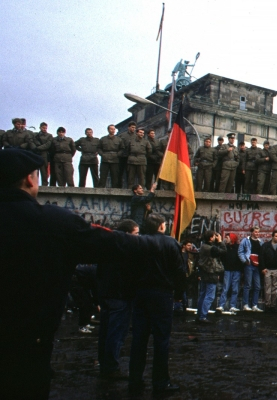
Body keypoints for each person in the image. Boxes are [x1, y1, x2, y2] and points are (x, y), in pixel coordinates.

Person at [0, 148, 168, 399]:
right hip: (28, 346)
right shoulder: (52, 222)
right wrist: (160, 243)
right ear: (29, 179)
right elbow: (111, 243)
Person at [128, 213, 186, 395]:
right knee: (161, 340)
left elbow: (129, 269)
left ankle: (135, 380)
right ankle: (160, 382)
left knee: (139, 339)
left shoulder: (138, 243)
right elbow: (179, 271)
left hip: (141, 294)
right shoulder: (171, 243)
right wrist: (178, 294)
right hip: (162, 295)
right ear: (161, 226)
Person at [97, 219, 139, 380]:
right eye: (136, 233)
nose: (138, 236)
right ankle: (111, 367)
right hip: (120, 296)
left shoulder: (107, 246)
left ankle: (104, 363)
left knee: (105, 331)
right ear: (127, 234)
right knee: (116, 333)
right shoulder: (126, 251)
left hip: (107, 295)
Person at [196, 230, 226, 323]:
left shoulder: (204, 246)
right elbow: (223, 252)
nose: (215, 237)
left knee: (203, 294)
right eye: (214, 236)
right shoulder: (209, 248)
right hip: (210, 273)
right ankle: (203, 316)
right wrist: (220, 241)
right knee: (209, 296)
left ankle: (200, 315)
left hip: (204, 272)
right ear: (210, 238)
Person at [238, 226, 264, 312]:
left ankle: (254, 305)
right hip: (249, 264)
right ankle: (245, 304)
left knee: (257, 286)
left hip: (257, 266)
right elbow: (240, 252)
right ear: (252, 232)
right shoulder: (246, 240)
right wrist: (245, 261)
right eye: (256, 232)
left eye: (258, 232)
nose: (257, 233)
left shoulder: (261, 242)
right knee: (248, 285)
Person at [261, 230, 277, 312]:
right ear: (272, 236)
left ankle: (273, 305)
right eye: (276, 236)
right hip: (267, 269)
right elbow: (261, 257)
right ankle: (267, 305)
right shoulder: (265, 246)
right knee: (267, 288)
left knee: (275, 289)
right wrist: (263, 268)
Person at [217, 233, 244, 312]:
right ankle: (221, 305)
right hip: (227, 270)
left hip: (236, 270)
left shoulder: (238, 247)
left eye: (227, 237)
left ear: (232, 239)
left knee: (235, 289)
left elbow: (241, 259)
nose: (226, 239)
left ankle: (232, 305)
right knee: (225, 288)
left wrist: (241, 271)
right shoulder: (225, 247)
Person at [117, 121, 137, 188]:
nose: (133, 129)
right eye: (132, 127)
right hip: (122, 156)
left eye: (134, 128)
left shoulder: (136, 136)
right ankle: (119, 187)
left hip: (131, 157)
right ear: (129, 127)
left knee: (130, 173)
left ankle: (129, 187)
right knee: (120, 172)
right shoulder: (122, 135)